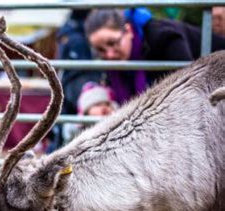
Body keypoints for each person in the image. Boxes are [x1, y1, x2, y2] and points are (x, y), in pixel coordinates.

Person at [85, 8, 225, 104]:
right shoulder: (117, 67)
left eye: (113, 43)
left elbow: (190, 89)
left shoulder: (163, 38)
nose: (109, 54)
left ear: (128, 31)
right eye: (100, 50)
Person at [49, 10, 104, 150]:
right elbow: (82, 70)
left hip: (68, 88)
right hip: (79, 91)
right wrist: (91, 92)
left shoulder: (67, 33)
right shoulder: (78, 39)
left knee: (63, 128)